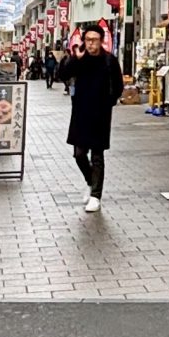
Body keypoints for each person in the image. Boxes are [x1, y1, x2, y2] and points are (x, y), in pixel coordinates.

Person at [54, 25, 125, 211]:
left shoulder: (109, 60)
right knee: (79, 154)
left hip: (101, 114)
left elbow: (118, 85)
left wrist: (109, 102)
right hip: (81, 112)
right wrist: (74, 60)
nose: (91, 43)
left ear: (101, 41)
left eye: (94, 40)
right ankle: (90, 181)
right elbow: (62, 75)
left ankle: (96, 195)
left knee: (97, 155)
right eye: (88, 40)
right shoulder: (80, 59)